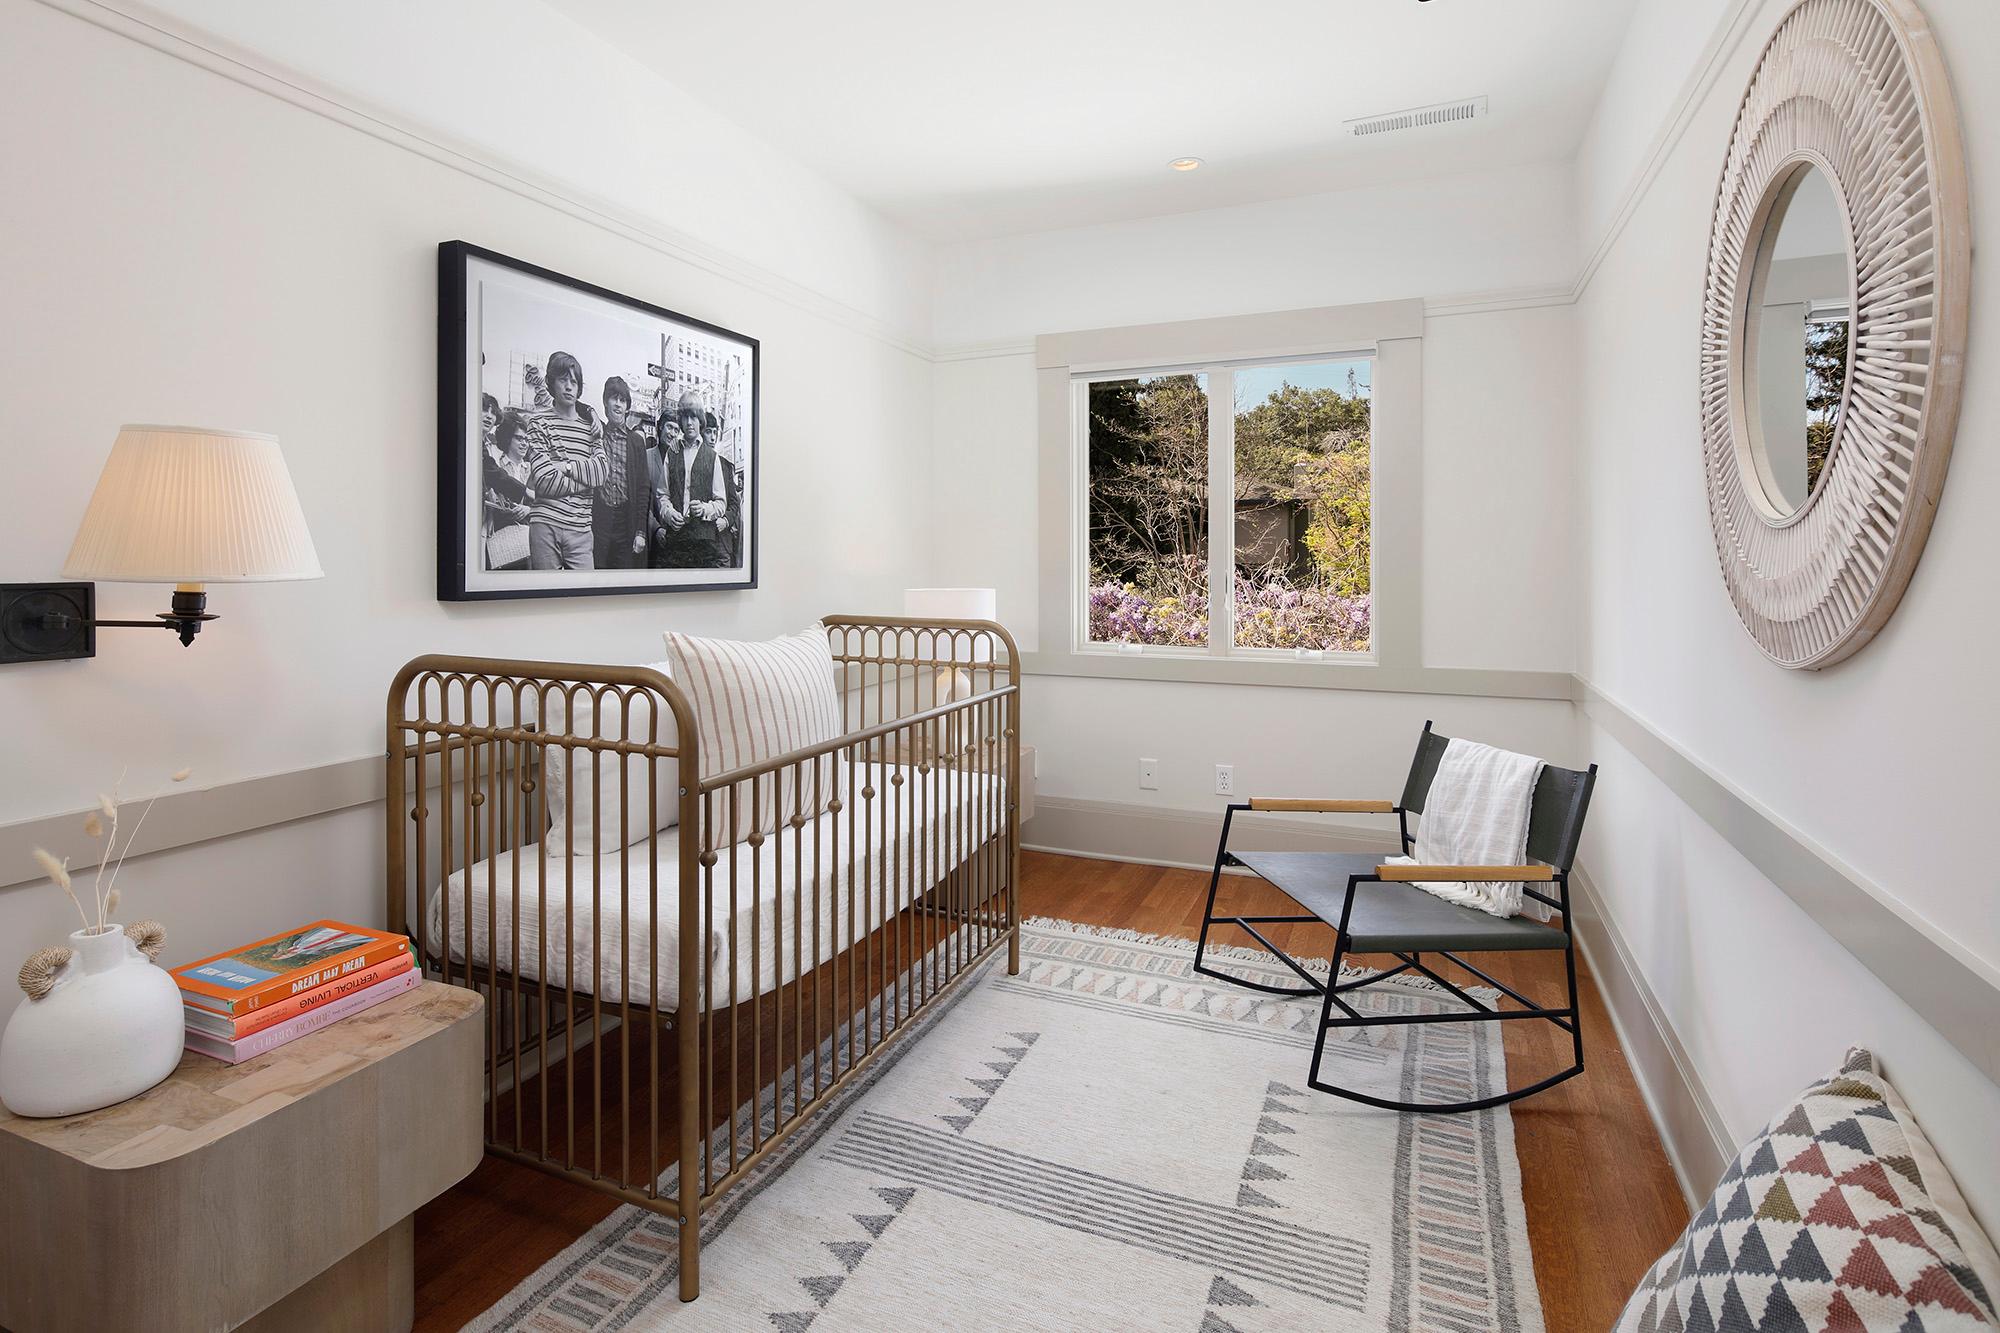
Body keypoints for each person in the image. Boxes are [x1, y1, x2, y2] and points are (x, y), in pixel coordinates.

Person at [524, 351, 607, 571]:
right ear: (551, 383)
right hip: (545, 524)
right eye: (563, 380)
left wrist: (565, 467)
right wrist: (587, 480)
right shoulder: (538, 422)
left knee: (584, 591)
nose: (569, 387)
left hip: (581, 529)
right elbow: (544, 481)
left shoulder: (591, 427)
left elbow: (601, 473)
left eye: (574, 381)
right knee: (546, 592)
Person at [655, 394, 735, 568]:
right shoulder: (672, 452)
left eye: (694, 417)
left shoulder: (712, 456)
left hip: (704, 544)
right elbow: (662, 495)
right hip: (676, 542)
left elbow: (721, 503)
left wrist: (705, 509)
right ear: (680, 420)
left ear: (700, 420)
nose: (689, 422)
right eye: (685, 417)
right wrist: (669, 514)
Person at [591, 377, 653, 570]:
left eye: (622, 400)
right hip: (599, 520)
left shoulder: (636, 442)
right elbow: (576, 405)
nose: (618, 404)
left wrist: (641, 531)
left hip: (626, 521)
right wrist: (590, 412)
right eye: (613, 398)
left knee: (624, 576)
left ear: (627, 407)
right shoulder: (597, 434)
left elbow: (643, 488)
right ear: (605, 402)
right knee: (598, 575)